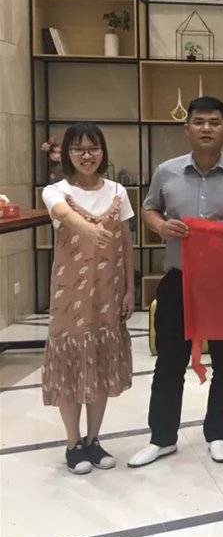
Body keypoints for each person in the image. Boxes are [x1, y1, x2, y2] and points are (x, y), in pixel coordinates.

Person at [129, 97, 223, 468]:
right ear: (187, 128)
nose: (206, 128)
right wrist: (161, 226)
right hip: (178, 279)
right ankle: (162, 438)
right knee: (170, 361)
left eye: (214, 122)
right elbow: (149, 208)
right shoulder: (167, 171)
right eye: (199, 122)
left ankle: (218, 434)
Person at [41, 123, 134, 474]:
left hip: (108, 293)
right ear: (66, 154)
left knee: (100, 363)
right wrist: (90, 228)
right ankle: (73, 443)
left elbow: (126, 243)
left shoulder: (118, 192)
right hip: (70, 294)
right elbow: (63, 214)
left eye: (93, 148)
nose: (86, 155)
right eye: (78, 149)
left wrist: (129, 289)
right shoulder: (57, 191)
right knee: (70, 364)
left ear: (102, 152)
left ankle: (93, 440)